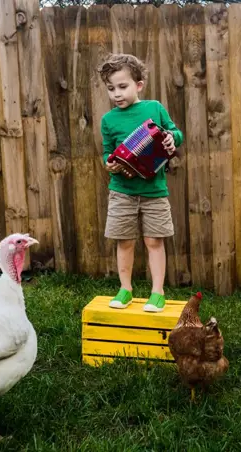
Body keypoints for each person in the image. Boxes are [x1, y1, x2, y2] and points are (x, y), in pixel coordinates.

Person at [97, 53, 184, 313]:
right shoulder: (108, 120)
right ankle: (125, 289)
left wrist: (171, 138)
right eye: (111, 89)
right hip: (122, 191)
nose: (117, 94)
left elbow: (175, 133)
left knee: (154, 241)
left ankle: (157, 292)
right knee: (124, 241)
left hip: (154, 191)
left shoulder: (154, 108)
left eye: (122, 87)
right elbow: (106, 152)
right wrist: (108, 163)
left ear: (139, 84)